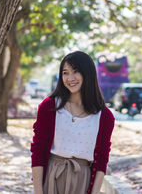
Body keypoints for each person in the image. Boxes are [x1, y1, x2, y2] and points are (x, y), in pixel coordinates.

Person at [30, 51, 115, 194]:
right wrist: (38, 191)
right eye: (65, 72)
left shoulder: (104, 117)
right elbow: (38, 150)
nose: (70, 78)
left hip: (83, 180)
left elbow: (102, 159)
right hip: (52, 177)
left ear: (88, 74)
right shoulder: (49, 107)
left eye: (75, 72)